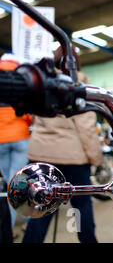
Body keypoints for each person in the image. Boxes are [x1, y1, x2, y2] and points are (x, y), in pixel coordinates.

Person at [22, 46, 102, 243]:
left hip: (41, 155)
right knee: (81, 207)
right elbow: (86, 127)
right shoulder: (78, 85)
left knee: (41, 207)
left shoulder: (40, 85)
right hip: (73, 157)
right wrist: (96, 158)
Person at [0, 53, 32, 237]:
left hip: (0, 140)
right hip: (20, 136)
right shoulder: (22, 78)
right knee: (17, 184)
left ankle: (11, 228)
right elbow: (28, 111)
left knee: (9, 184)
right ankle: (12, 228)